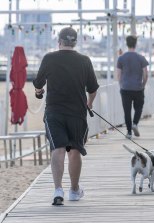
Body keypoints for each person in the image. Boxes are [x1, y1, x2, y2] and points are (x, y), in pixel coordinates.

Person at [33, 27, 99, 205]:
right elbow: (93, 89)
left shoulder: (49, 58)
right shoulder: (84, 60)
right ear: (75, 42)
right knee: (75, 151)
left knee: (58, 149)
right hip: (77, 113)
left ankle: (58, 190)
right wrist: (89, 104)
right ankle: (75, 190)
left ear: (59, 41)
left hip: (54, 112)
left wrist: (39, 92)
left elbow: (38, 84)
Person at [117, 35, 149, 139]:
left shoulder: (121, 58)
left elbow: (118, 75)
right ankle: (135, 123)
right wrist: (143, 85)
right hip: (138, 88)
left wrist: (121, 85)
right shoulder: (141, 58)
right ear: (136, 44)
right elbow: (145, 74)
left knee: (127, 110)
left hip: (125, 88)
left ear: (127, 44)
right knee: (139, 107)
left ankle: (129, 132)